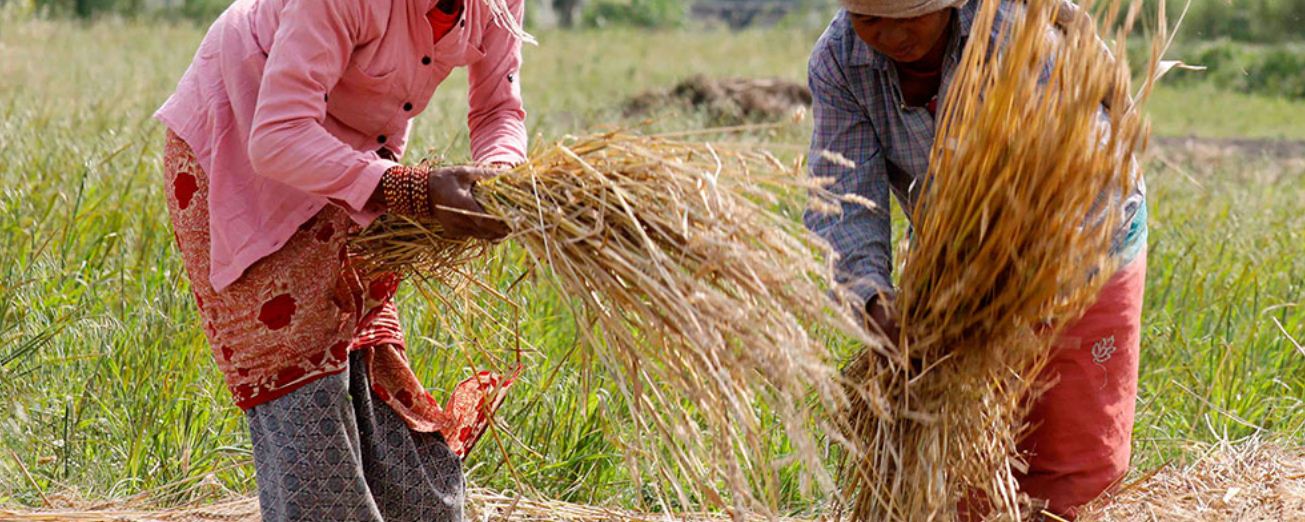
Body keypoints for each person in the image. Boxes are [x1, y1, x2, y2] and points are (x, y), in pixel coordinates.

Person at [154, 0, 530, 518]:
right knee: (303, 390)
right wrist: (411, 189)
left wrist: (501, 182)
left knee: (370, 361)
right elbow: (278, 136)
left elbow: (497, 111)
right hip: (238, 150)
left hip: (351, 166)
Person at [803, 0, 1148, 518]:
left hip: (1082, 250)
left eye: (908, 17)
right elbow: (844, 197)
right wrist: (873, 302)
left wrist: (1001, 296)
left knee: (1071, 473)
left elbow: (1081, 177)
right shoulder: (839, 61)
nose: (891, 36)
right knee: (961, 473)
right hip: (957, 265)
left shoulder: (1018, 35)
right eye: (871, 21)